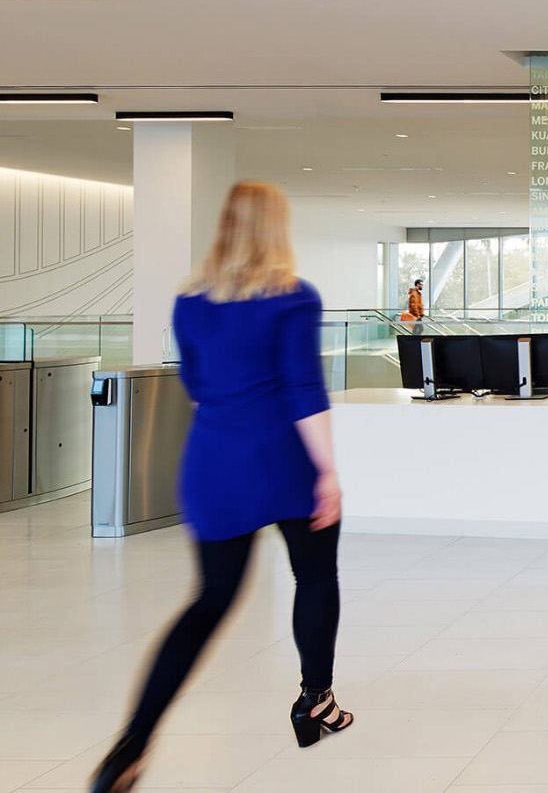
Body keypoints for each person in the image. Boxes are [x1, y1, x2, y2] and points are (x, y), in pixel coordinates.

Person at [91, 182, 353, 793]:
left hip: (213, 461)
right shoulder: (293, 296)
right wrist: (329, 472)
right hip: (282, 457)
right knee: (314, 577)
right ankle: (315, 700)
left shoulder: (189, 302)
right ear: (275, 229)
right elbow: (303, 391)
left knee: (209, 601)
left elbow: (195, 381)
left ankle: (130, 746)